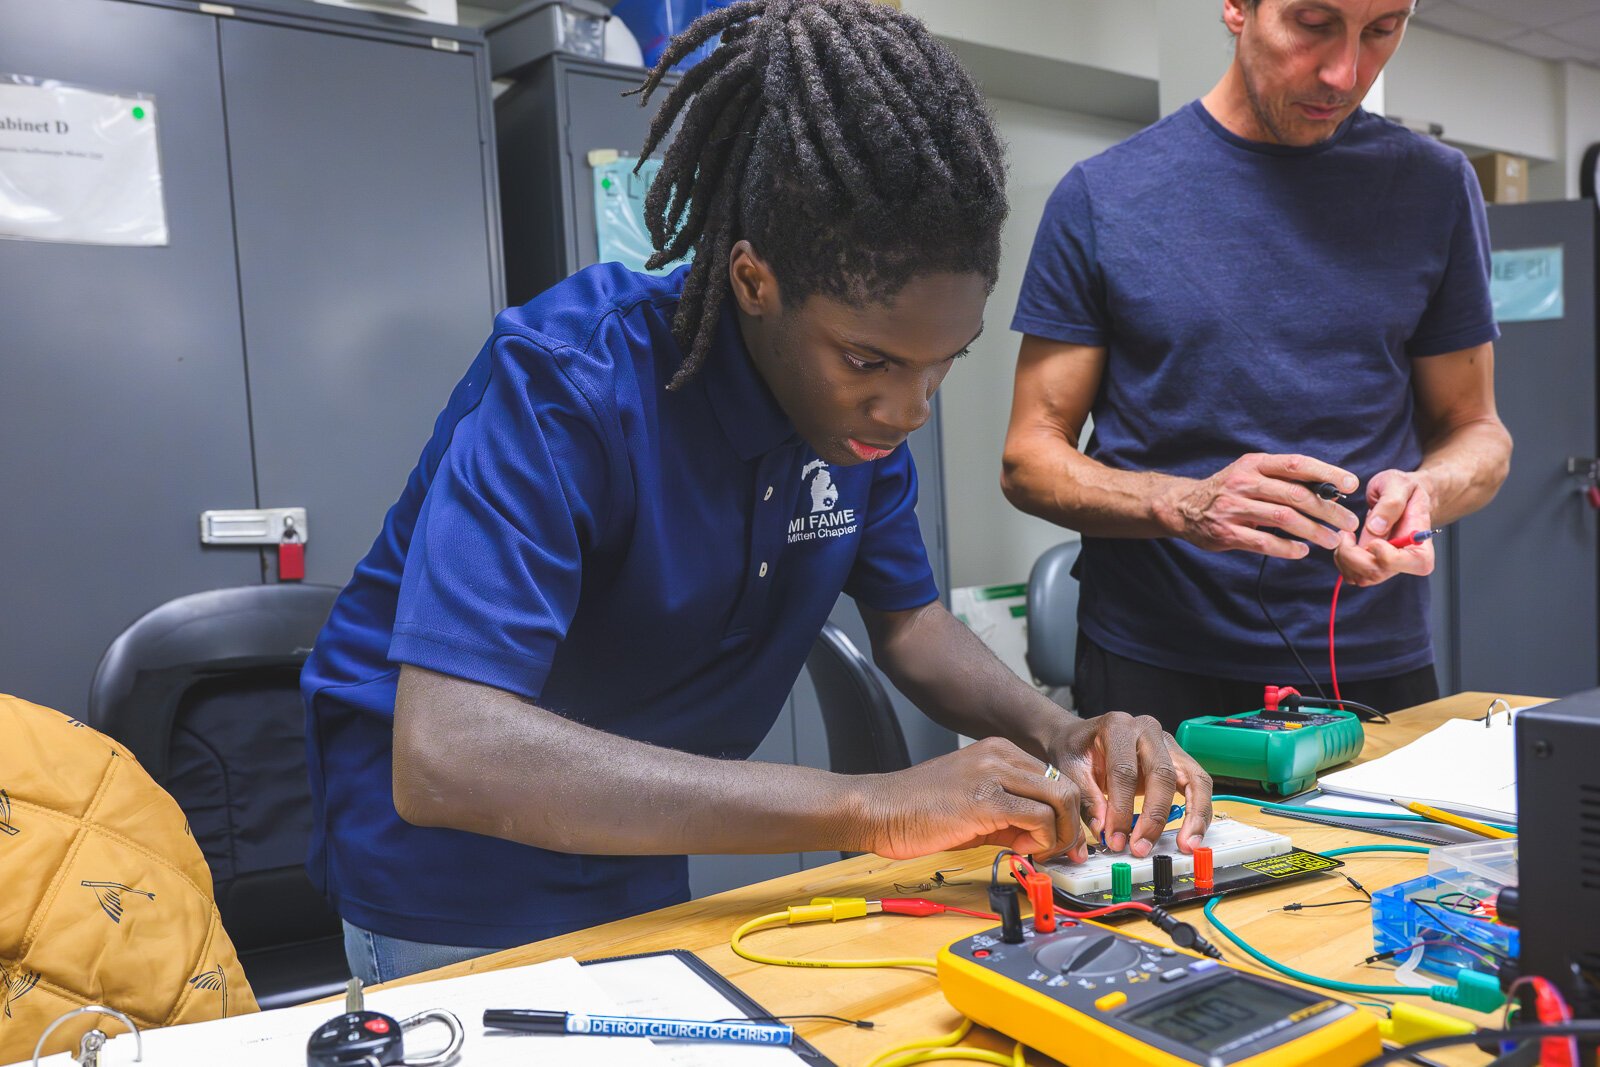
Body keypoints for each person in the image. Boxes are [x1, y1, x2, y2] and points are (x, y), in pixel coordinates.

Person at [301, 0, 1214, 986]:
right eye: (870, 358)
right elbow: (449, 753)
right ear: (751, 280)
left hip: (633, 838)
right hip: (450, 874)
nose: (908, 406)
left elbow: (909, 625)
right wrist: (870, 802)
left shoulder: (854, 411)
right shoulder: (570, 381)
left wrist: (1061, 729)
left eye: (941, 362)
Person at [1002, 0, 1512, 733]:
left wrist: (1426, 490)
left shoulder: (1435, 189)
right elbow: (1028, 458)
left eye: (1381, 31)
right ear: (1238, 7)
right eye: (1312, 22)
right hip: (1155, 662)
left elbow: (1480, 433)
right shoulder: (1104, 196)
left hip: (1371, 659)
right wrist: (1184, 504)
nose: (1345, 73)